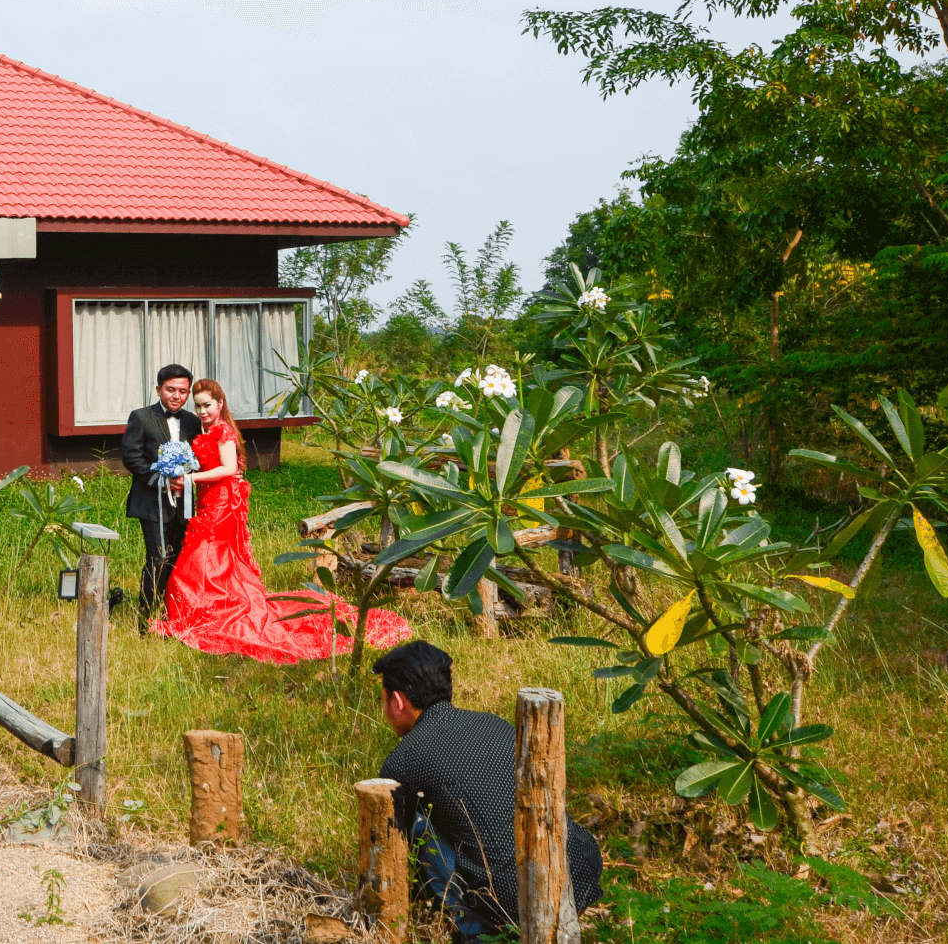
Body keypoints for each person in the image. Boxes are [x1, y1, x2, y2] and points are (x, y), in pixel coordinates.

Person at [153, 378, 414, 662]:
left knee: (205, 556)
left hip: (221, 502)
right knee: (213, 559)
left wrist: (190, 478)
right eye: (199, 406)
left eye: (207, 405)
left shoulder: (223, 430)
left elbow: (228, 469)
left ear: (220, 403)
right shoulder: (208, 429)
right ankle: (216, 604)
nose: (202, 411)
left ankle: (212, 608)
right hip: (207, 499)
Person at [373, 641, 602, 943]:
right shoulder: (496, 723)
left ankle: (471, 933)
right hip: (576, 872)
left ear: (397, 701)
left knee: (415, 827)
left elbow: (388, 848)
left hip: (504, 905)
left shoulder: (403, 760)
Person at [121, 363, 201, 613]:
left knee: (179, 559)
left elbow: (199, 456)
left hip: (184, 502)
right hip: (152, 501)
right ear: (158, 389)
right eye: (171, 390)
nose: (177, 396)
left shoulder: (192, 421)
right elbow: (132, 458)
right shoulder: (141, 417)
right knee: (158, 558)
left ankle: (170, 614)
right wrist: (164, 479)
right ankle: (144, 616)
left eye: (183, 391)